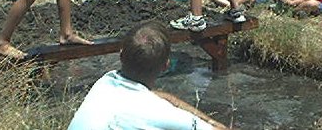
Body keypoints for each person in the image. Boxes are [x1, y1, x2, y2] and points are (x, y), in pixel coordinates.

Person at [68, 21, 226, 130]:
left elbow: (158, 97)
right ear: (165, 66)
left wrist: (208, 120)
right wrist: (211, 123)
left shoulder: (105, 82)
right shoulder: (160, 112)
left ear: (121, 55)